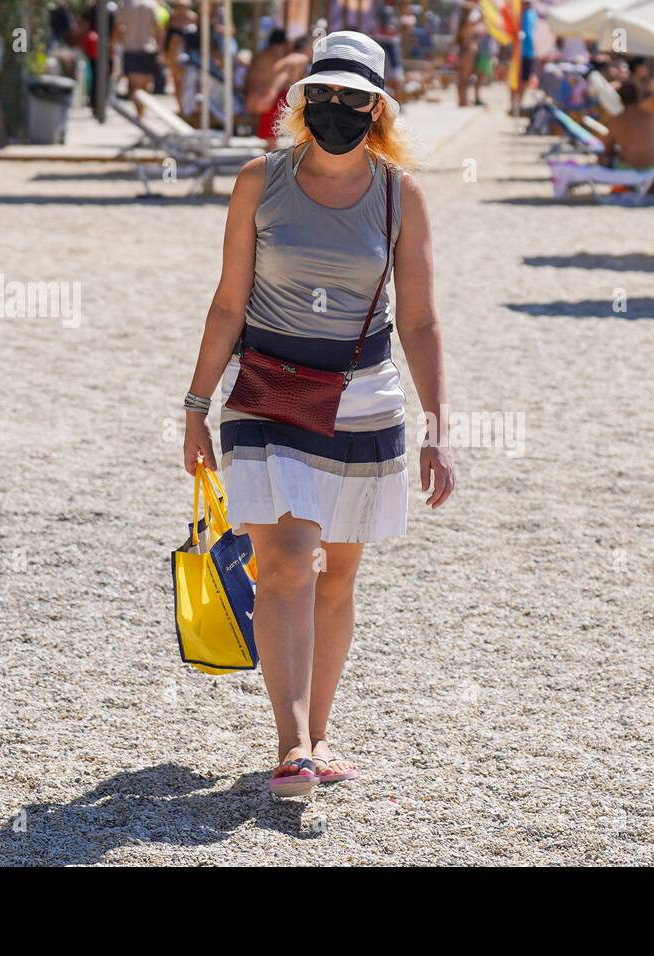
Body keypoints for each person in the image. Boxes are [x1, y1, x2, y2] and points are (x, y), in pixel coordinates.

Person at [181, 32, 455, 798]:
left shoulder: (401, 194)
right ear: (302, 101)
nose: (337, 109)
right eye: (324, 95)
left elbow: (423, 322)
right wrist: (196, 407)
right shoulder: (257, 182)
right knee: (287, 562)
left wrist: (439, 427)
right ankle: (292, 743)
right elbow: (228, 302)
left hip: (364, 398)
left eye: (354, 98)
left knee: (337, 575)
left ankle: (321, 734)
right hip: (266, 395)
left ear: (378, 108)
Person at [602, 80, 654, 171]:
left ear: (620, 99)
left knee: (603, 160)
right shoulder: (652, 116)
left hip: (627, 168)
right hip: (653, 167)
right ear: (639, 97)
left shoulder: (615, 121)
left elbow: (608, 149)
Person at [119, 0, 164, 115]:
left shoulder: (126, 5)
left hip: (131, 48)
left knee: (135, 86)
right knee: (145, 85)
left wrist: (115, 44)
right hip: (148, 48)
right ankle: (142, 113)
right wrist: (160, 49)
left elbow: (119, 26)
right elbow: (159, 28)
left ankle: (140, 113)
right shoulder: (151, 5)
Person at [243, 28, 291, 132]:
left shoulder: (262, 54)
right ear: (285, 42)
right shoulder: (276, 55)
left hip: (252, 96)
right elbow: (281, 78)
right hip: (262, 98)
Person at [511, 0, 536, 116]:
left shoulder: (533, 14)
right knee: (515, 79)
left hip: (529, 53)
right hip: (517, 52)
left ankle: (518, 104)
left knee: (525, 81)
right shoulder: (517, 14)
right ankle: (513, 105)